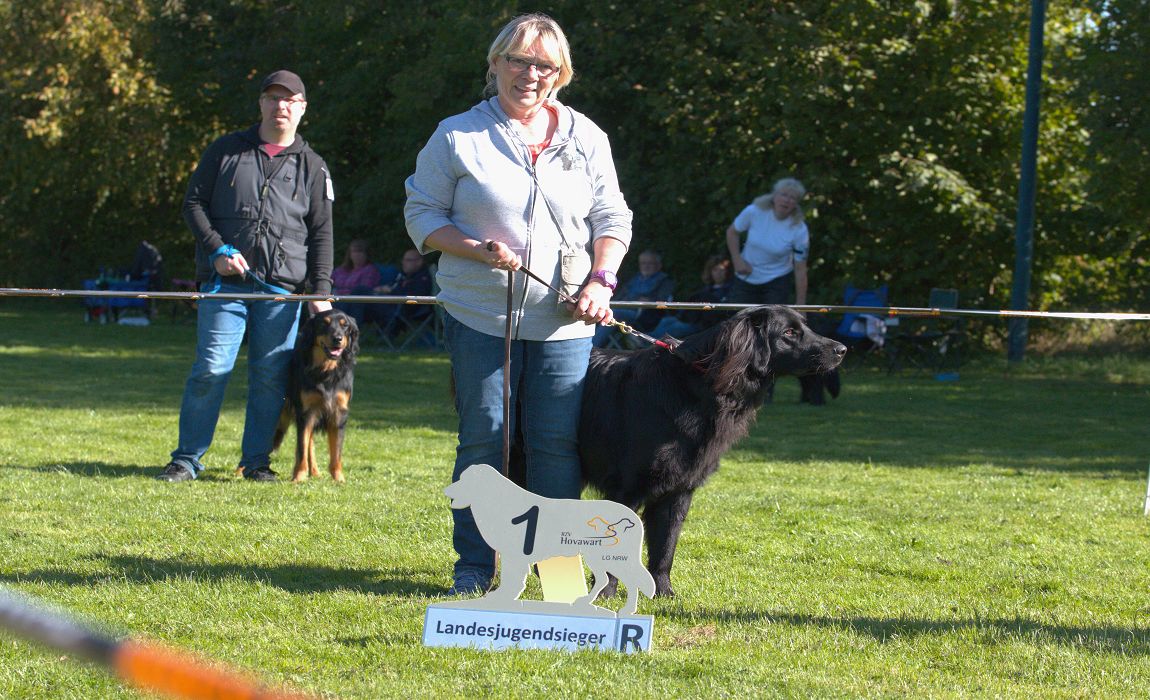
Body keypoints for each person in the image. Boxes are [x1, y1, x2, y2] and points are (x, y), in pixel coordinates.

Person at [404, 13, 632, 595]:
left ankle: (558, 575)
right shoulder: (456, 134)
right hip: (479, 314)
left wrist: (601, 280)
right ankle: (475, 567)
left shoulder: (588, 137)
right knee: (486, 436)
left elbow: (612, 219)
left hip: (566, 321)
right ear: (496, 63)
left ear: (561, 74)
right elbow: (421, 215)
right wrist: (476, 250)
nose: (530, 74)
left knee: (556, 444)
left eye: (544, 65)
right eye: (519, 61)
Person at [155, 69, 334, 483]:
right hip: (225, 286)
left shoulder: (313, 166)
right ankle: (186, 460)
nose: (281, 106)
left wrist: (321, 291)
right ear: (261, 104)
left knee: (271, 378)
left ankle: (256, 462)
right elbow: (193, 205)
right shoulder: (225, 150)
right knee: (210, 369)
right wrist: (216, 249)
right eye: (273, 98)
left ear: (302, 108)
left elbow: (322, 233)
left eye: (290, 100)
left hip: (281, 292)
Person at [724, 177, 810, 307]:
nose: (787, 200)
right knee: (738, 322)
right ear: (774, 196)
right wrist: (737, 260)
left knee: (772, 323)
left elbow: (800, 268)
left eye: (793, 198)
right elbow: (732, 232)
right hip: (746, 275)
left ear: (796, 204)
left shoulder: (800, 229)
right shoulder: (753, 211)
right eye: (784, 195)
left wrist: (801, 306)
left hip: (777, 281)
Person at [591, 249, 675, 348]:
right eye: (643, 263)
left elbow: (663, 301)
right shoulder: (635, 278)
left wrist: (649, 301)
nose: (646, 266)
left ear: (658, 265)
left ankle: (592, 347)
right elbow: (619, 295)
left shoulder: (665, 281)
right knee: (598, 308)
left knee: (613, 313)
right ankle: (586, 344)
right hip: (624, 308)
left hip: (644, 315)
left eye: (650, 263)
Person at [649, 254, 732, 340]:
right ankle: (646, 339)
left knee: (677, 327)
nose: (718, 273)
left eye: (722, 270)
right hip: (691, 318)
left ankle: (646, 341)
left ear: (727, 272)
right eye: (715, 270)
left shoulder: (730, 290)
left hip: (704, 324)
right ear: (710, 271)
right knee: (666, 321)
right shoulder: (707, 288)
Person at [369, 248, 434, 337]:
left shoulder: (423, 278)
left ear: (419, 262)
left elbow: (414, 297)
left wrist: (391, 290)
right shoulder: (404, 276)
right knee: (360, 295)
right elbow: (395, 287)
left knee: (360, 293)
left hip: (403, 309)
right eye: (403, 260)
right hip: (392, 306)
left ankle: (350, 335)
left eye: (408, 260)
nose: (403, 263)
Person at [331, 238, 383, 325]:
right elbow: (329, 281)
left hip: (357, 304)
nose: (357, 255)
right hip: (335, 299)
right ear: (350, 254)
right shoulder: (341, 270)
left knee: (358, 292)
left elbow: (365, 289)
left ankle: (351, 328)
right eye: (354, 251)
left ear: (367, 254)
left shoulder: (370, 270)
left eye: (360, 252)